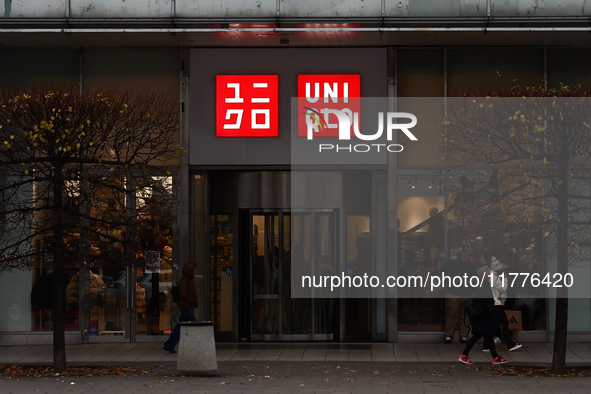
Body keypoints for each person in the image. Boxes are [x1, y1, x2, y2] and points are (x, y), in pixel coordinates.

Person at [458, 265, 508, 365]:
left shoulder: (482, 284)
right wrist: (491, 309)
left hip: (484, 314)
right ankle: (464, 355)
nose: (489, 274)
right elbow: (480, 300)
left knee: (488, 335)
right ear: (483, 274)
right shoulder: (481, 285)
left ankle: (495, 357)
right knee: (478, 335)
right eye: (488, 272)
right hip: (484, 315)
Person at [485, 256, 523, 352]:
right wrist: (505, 279)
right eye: (501, 264)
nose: (503, 265)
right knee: (504, 323)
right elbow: (502, 288)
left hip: (495, 302)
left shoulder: (493, 274)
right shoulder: (494, 275)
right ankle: (510, 344)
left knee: (493, 324)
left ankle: (486, 346)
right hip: (496, 303)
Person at [162, 261, 199, 353]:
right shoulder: (185, 280)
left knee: (180, 326)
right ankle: (198, 346)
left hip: (186, 306)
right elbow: (183, 294)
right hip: (186, 306)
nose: (195, 271)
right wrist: (193, 300)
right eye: (194, 270)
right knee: (194, 325)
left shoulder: (187, 280)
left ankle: (169, 345)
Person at [440, 252, 475, 344]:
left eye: (467, 255)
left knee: (466, 316)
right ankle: (448, 335)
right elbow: (442, 271)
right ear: (459, 256)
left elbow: (475, 278)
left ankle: (464, 336)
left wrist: (472, 288)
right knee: (452, 314)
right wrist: (448, 284)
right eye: (464, 255)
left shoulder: (471, 267)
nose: (465, 257)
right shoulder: (452, 265)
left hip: (467, 294)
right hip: (454, 293)